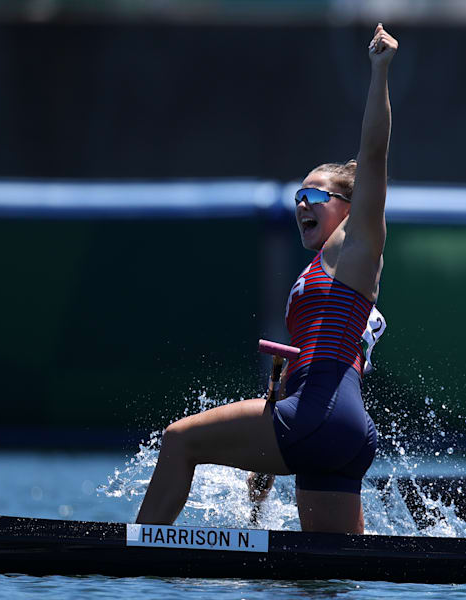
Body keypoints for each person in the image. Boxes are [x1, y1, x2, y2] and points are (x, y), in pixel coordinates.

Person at [136, 24, 397, 534]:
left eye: (315, 196)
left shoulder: (356, 244)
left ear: (349, 207)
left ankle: (134, 556)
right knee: (335, 572)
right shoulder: (325, 273)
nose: (302, 204)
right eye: (298, 197)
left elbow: (373, 156)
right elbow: (297, 385)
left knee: (178, 440)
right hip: (340, 430)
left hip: (320, 415)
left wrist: (380, 70)